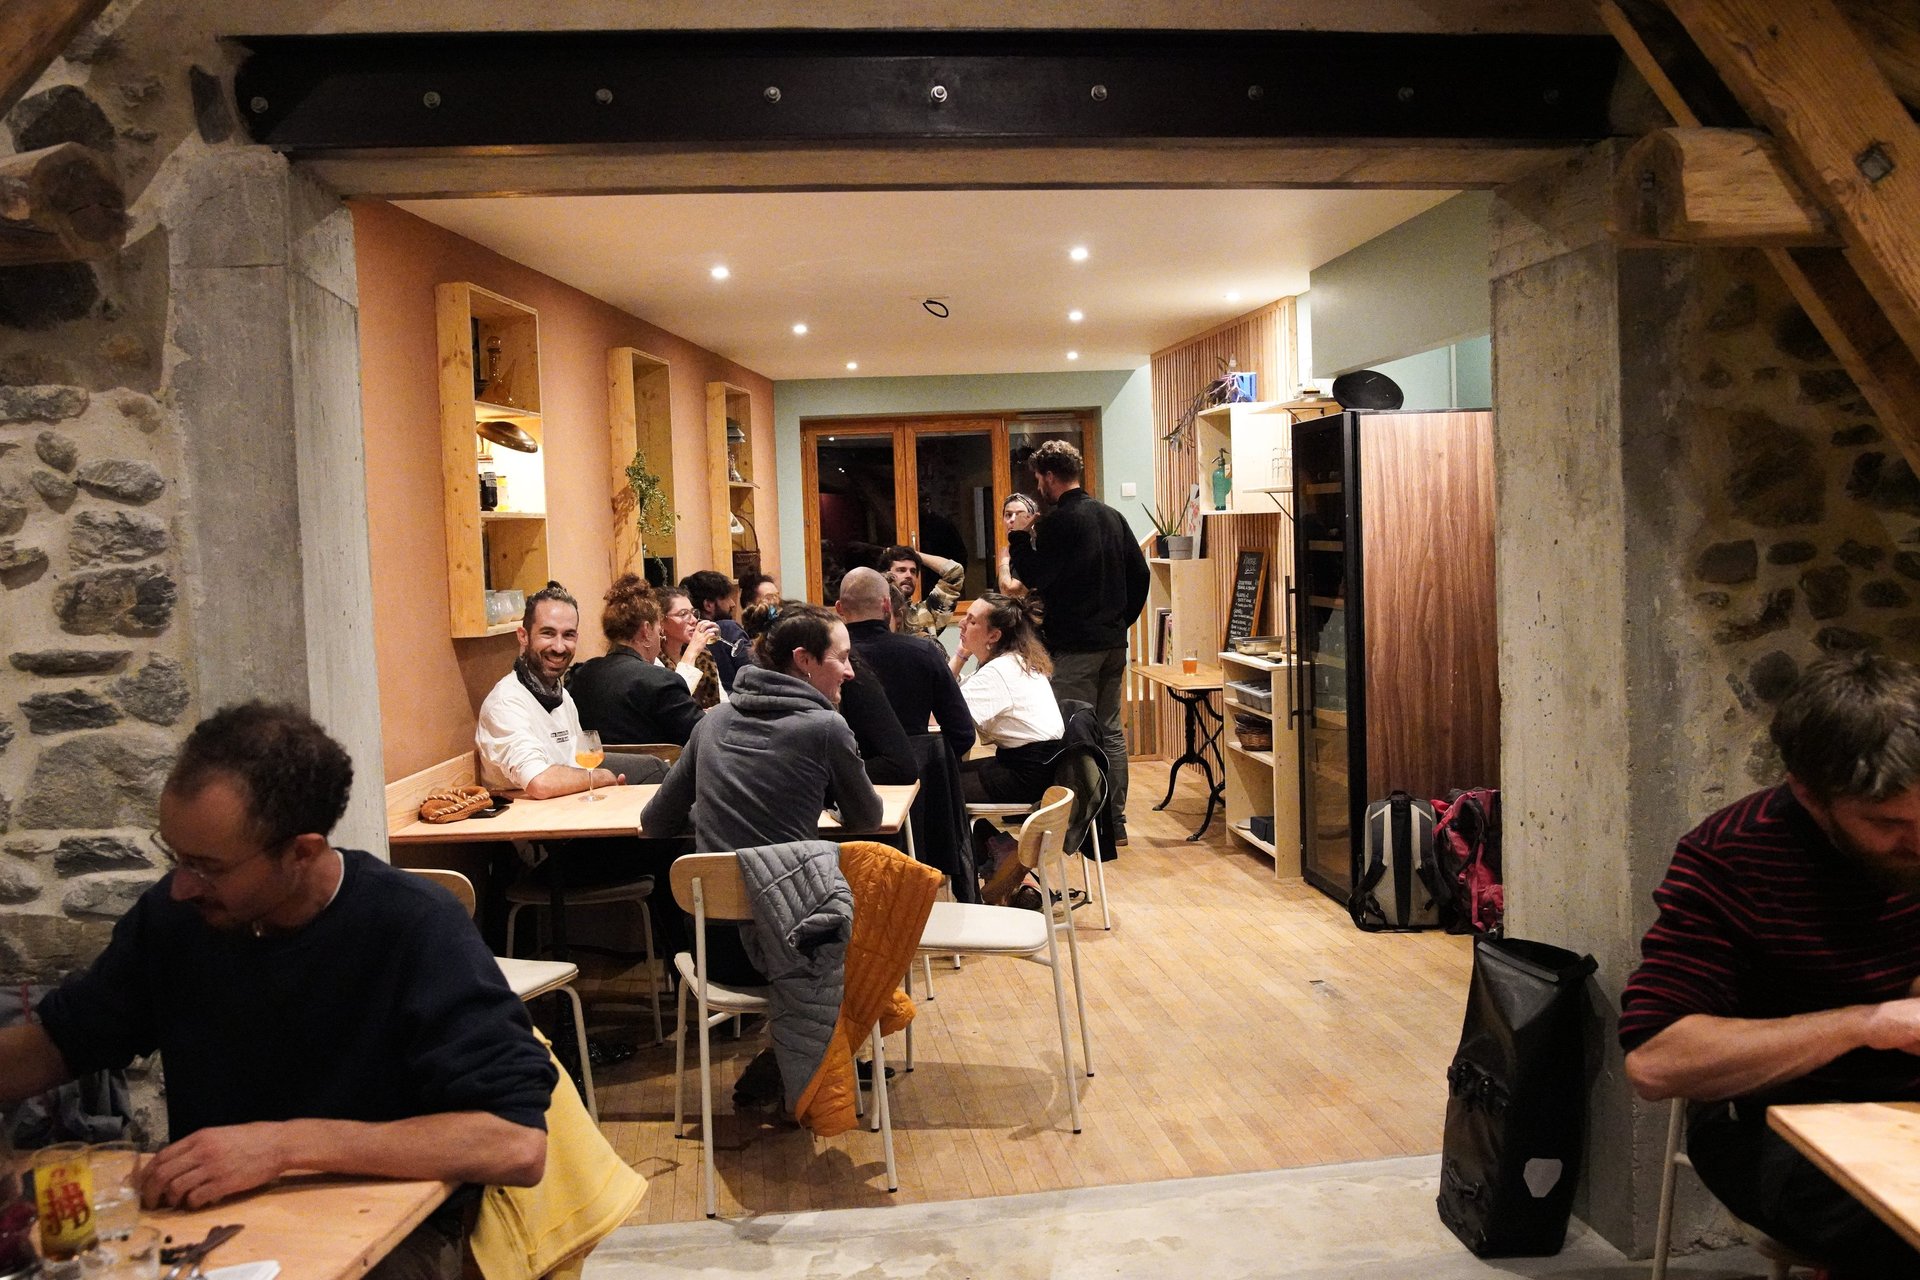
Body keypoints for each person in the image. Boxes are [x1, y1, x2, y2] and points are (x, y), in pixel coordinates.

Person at [0, 703, 556, 1277]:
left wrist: (282, 1148)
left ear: (302, 852)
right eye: (175, 857)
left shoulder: (412, 926)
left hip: (387, 1231)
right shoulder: (175, 921)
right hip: (211, 1228)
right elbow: (61, 1044)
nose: (182, 886)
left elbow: (513, 1142)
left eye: (208, 866)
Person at [1620, 652, 1920, 1277]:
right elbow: (1657, 1060)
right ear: (1808, 792)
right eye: (1887, 824)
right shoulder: (1731, 857)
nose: (1917, 841)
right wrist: (1865, 1023)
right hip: (1775, 1129)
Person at [1005, 441, 1148, 843]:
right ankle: (1114, 823)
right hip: (1112, 643)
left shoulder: (1058, 522)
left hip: (1075, 646)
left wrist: (1018, 539)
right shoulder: (1113, 516)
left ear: (1050, 477)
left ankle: (1080, 825)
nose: (1039, 488)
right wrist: (1119, 622)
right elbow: (1141, 576)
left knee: (1071, 732)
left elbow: (1035, 576)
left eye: (1038, 480)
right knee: (1110, 731)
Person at [743, 598, 917, 786]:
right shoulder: (743, 711)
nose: (849, 672)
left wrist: (821, 776)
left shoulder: (847, 690)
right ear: (803, 660)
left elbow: (901, 766)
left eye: (847, 657)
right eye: (842, 658)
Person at [476, 582, 625, 798]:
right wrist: (603, 777)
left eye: (568, 635)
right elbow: (540, 782)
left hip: (568, 816)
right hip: (524, 827)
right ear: (523, 636)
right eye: (548, 633)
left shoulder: (561, 696)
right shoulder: (505, 703)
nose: (559, 647)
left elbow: (576, 765)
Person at [837, 566, 975, 761]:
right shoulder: (924, 652)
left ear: (839, 608)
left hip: (851, 779)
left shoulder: (830, 659)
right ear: (886, 605)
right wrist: (930, 764)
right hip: (919, 776)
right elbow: (963, 732)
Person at [948, 592, 1064, 805]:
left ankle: (979, 839)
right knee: (942, 776)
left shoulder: (1000, 671)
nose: (962, 624)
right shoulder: (1010, 661)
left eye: (972, 620)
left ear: (994, 636)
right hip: (1033, 765)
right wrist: (961, 655)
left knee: (934, 788)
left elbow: (944, 715)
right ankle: (986, 839)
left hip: (1026, 775)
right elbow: (950, 694)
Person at [565, 573, 703, 747]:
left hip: (595, 771)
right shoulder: (662, 682)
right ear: (646, 630)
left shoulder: (579, 677)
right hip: (659, 774)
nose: (660, 641)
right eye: (659, 631)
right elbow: (703, 737)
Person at [680, 569, 752, 693]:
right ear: (708, 605)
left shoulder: (683, 638)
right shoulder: (727, 628)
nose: (733, 604)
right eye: (727, 598)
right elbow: (752, 674)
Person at [659, 586, 726, 710]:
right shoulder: (654, 660)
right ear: (661, 622)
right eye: (683, 614)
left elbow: (723, 702)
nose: (694, 620)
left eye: (693, 613)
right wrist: (693, 650)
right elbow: (675, 701)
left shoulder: (704, 655)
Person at [881, 544, 965, 639]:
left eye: (913, 571)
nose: (909, 575)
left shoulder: (925, 613)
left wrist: (914, 554)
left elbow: (955, 572)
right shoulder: (874, 613)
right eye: (901, 570)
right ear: (886, 574)